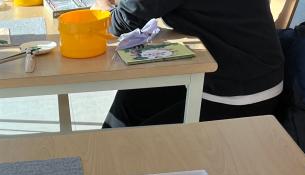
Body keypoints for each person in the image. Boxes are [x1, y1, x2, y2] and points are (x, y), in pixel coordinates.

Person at [94, 0, 284, 127]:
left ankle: (110, 163)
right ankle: (101, 163)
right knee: (130, 99)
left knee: (133, 146)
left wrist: (103, 6)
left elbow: (120, 22)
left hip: (239, 92)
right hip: (242, 70)